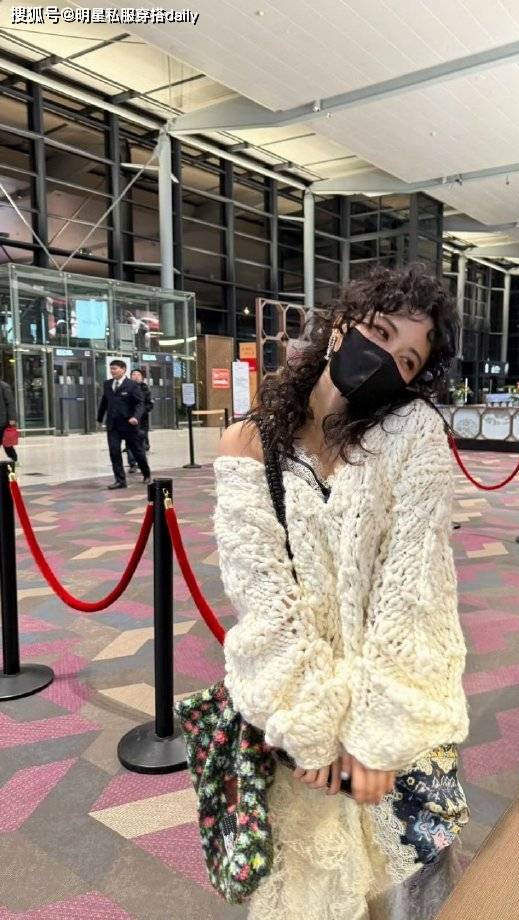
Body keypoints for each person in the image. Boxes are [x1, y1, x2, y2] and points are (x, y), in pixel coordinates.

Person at [214, 265, 469, 920]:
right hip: (301, 735)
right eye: (379, 332)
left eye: (407, 359)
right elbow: (263, 599)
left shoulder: (411, 435)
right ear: (340, 327)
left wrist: (373, 735)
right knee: (315, 894)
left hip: (394, 726)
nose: (386, 358)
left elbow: (412, 590)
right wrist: (315, 731)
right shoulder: (250, 442)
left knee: (413, 896)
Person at [97, 360, 152, 490]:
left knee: (138, 452)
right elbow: (104, 402)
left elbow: (140, 403)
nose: (112, 371)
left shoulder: (132, 385)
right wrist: (99, 418)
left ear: (123, 369)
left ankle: (146, 473)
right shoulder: (107, 384)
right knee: (114, 452)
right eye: (111, 368)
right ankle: (120, 480)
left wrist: (136, 417)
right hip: (113, 425)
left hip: (129, 425)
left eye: (115, 368)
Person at [125, 368, 153, 472]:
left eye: (138, 375)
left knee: (141, 443)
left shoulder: (145, 389)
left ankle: (141, 463)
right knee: (129, 442)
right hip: (129, 420)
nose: (136, 376)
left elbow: (149, 404)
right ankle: (132, 464)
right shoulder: (126, 388)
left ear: (142, 377)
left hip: (142, 420)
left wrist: (141, 413)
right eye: (134, 374)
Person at [0, 378, 18, 464]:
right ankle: (13, 457)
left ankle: (13, 458)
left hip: (2, 419)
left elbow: (10, 403)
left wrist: (12, 418)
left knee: (6, 442)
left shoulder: (4, 386)